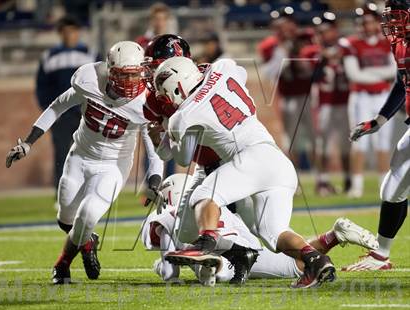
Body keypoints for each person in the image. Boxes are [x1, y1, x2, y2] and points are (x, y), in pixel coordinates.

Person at [152, 56, 337, 288]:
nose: (165, 98)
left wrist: (163, 139)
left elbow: (182, 157)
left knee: (203, 196)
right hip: (277, 160)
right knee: (273, 234)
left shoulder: (182, 116)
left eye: (165, 91)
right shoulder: (223, 68)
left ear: (176, 86)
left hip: (250, 159)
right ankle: (316, 260)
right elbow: (238, 71)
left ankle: (205, 243)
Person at [6, 41, 164, 284]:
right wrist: (28, 142)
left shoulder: (146, 101)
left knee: (88, 214)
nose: (133, 82)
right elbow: (56, 107)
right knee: (65, 219)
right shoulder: (89, 82)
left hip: (113, 165)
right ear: (111, 72)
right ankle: (87, 240)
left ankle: (62, 265)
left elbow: (152, 145)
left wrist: (154, 179)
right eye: (125, 75)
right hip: (79, 156)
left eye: (136, 75)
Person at [143, 34, 259, 284]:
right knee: (188, 226)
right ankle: (231, 257)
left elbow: (238, 74)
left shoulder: (209, 75)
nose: (154, 74)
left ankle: (299, 256)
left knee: (260, 229)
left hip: (236, 161)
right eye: (152, 67)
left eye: (157, 66)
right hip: (205, 168)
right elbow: (169, 154)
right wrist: (159, 139)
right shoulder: (155, 100)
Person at [142, 174, 379, 287]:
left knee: (295, 266)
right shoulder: (210, 206)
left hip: (230, 252)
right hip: (246, 241)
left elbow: (168, 273)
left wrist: (160, 266)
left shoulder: (168, 216)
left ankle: (212, 266)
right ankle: (334, 236)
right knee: (294, 260)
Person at [344, 0, 409, 271]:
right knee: (392, 188)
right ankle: (380, 254)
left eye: (397, 15)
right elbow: (401, 83)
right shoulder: (400, 43)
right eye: (390, 16)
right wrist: (379, 121)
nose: (391, 22)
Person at [36, 15, 100, 201]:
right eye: (66, 31)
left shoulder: (90, 53)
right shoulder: (49, 57)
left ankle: (90, 192)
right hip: (61, 115)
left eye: (73, 30)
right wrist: (52, 110)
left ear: (78, 32)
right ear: (60, 33)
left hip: (86, 113)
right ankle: (61, 196)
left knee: (90, 153)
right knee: (62, 154)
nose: (70, 34)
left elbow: (99, 83)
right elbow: (42, 87)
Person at [341, 7, 397, 198]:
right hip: (361, 97)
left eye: (371, 21)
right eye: (364, 22)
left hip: (383, 96)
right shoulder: (351, 43)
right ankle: (357, 186)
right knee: (359, 141)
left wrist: (370, 74)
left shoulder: (387, 42)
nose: (368, 25)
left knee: (383, 143)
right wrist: (380, 74)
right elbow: (354, 75)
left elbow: (393, 71)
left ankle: (384, 183)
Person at [301, 17, 351, 195]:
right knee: (324, 145)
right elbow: (309, 76)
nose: (324, 34)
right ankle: (323, 182)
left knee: (348, 144)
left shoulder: (347, 47)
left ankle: (348, 181)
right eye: (320, 31)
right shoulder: (312, 51)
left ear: (335, 30)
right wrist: (322, 57)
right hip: (324, 104)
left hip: (346, 101)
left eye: (327, 30)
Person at [257, 10, 315, 164]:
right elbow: (268, 73)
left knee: (315, 136)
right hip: (287, 95)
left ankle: (321, 178)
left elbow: (315, 66)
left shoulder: (307, 38)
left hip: (310, 94)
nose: (284, 29)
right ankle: (294, 176)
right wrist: (282, 52)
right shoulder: (271, 46)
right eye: (280, 25)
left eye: (287, 23)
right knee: (291, 137)